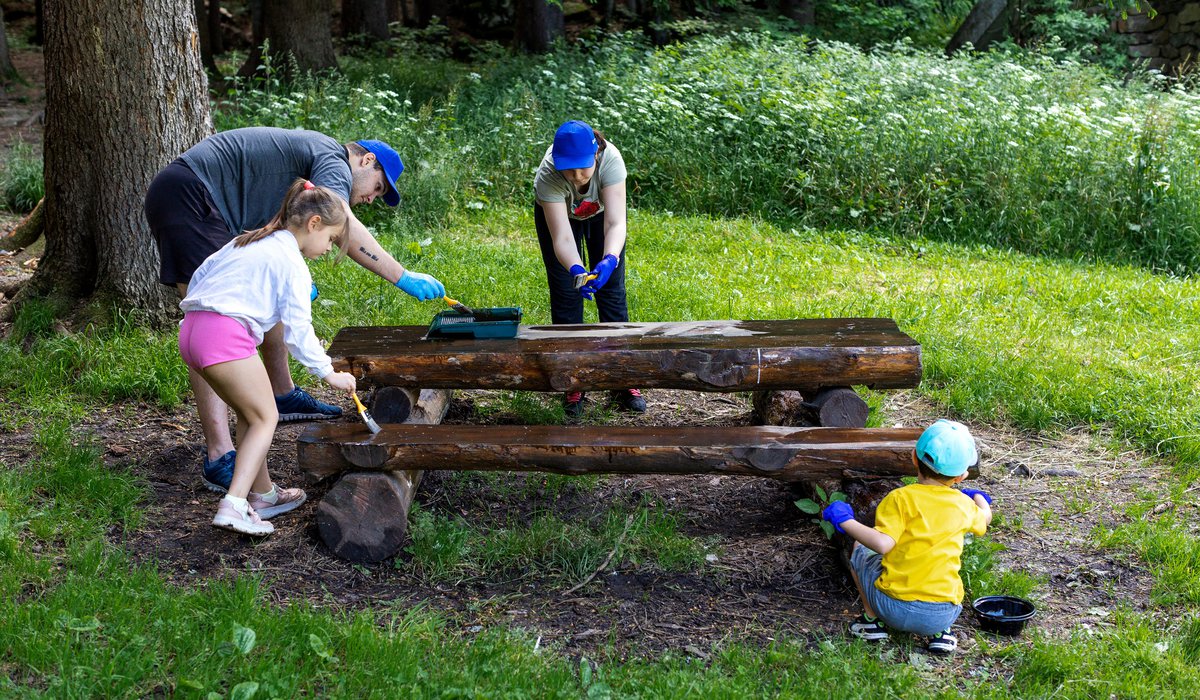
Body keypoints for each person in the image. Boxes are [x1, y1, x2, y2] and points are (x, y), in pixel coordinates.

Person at [145, 126, 445, 492]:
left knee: (255, 305)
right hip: (189, 195)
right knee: (212, 316)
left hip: (196, 196)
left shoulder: (312, 166)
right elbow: (342, 222)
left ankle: (281, 394)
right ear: (366, 160)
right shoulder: (335, 160)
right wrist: (401, 276)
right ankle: (220, 455)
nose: (370, 199)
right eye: (377, 188)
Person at [179, 179, 358, 535]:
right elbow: (298, 328)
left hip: (193, 332)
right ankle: (234, 505)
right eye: (332, 240)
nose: (328, 248)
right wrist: (328, 373)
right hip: (224, 336)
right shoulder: (290, 261)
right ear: (314, 224)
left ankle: (263, 494)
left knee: (252, 411)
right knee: (267, 416)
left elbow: (201, 275)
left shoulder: (249, 240)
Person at [821, 419, 993, 655]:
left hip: (893, 608)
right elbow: (985, 518)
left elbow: (882, 543)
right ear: (961, 477)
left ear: (913, 457)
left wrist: (845, 521)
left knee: (860, 549)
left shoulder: (900, 498)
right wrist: (978, 498)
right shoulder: (963, 504)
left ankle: (871, 622)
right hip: (943, 613)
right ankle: (940, 634)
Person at [534, 120, 646, 419]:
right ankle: (573, 380)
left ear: (595, 155)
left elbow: (616, 222)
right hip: (562, 220)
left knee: (612, 292)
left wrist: (610, 259)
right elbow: (562, 237)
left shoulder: (611, 161)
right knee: (565, 294)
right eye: (568, 169)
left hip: (601, 218)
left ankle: (623, 377)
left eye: (582, 168)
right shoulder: (548, 174)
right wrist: (575, 267)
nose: (576, 176)